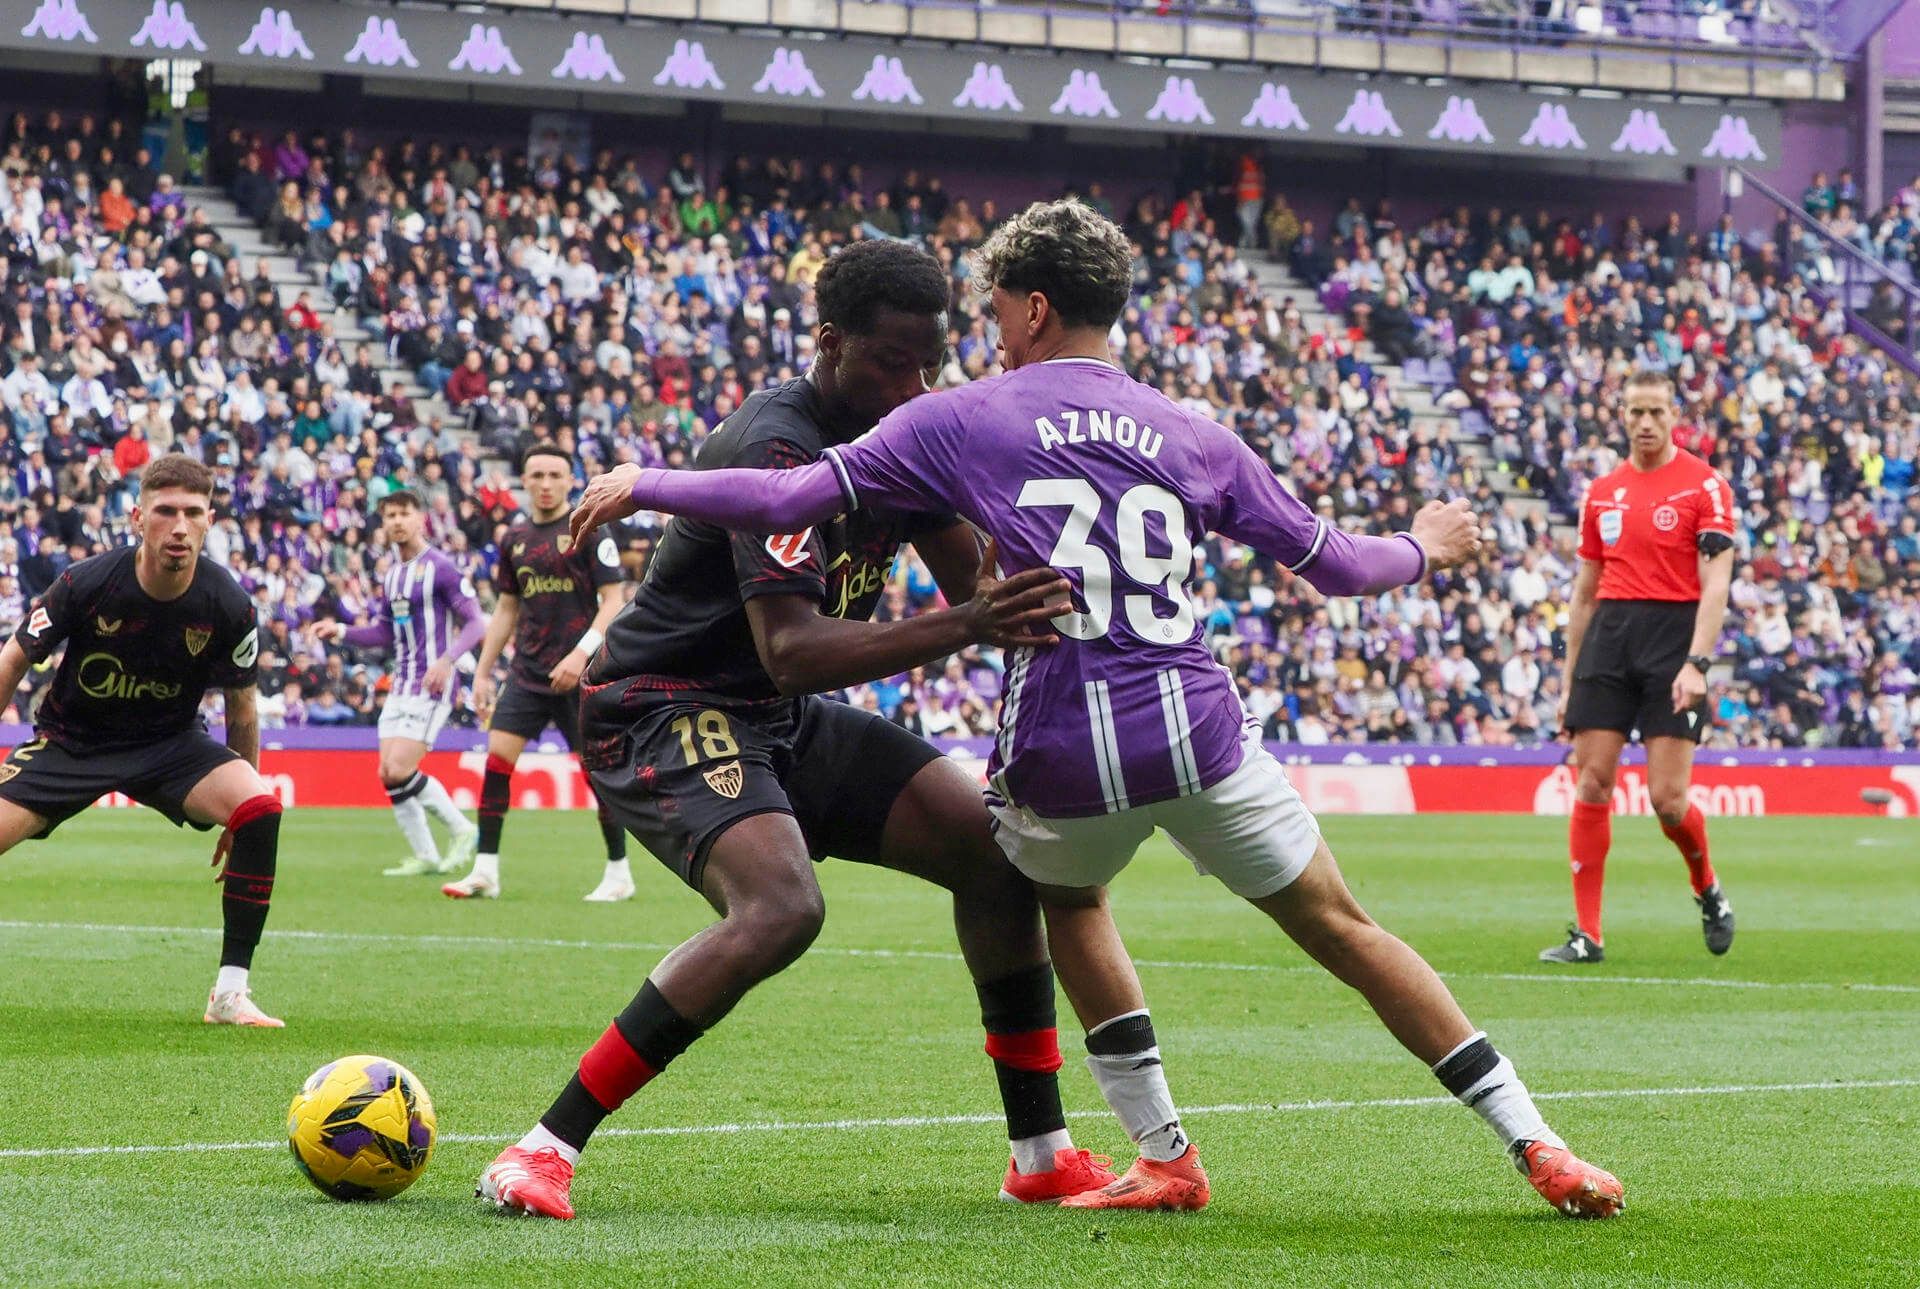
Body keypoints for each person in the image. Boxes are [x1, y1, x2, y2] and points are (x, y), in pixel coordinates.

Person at [577, 199, 1625, 1220]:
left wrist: (653, 481)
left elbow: (784, 497)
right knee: (1344, 926)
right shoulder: (1195, 430)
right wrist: (1426, 544)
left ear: (1031, 310)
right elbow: (1344, 567)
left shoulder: (959, 417)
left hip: (1064, 750)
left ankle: (1163, 1149)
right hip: (1199, 729)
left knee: (1065, 895)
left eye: (988, 314)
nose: (974, 343)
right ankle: (1536, 1136)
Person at [476, 239, 1117, 1220]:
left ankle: (1040, 1150)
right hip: (663, 704)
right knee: (781, 908)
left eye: (932, 363)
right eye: (894, 362)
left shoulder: (911, 434)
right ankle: (541, 1149)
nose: (917, 383)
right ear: (830, 343)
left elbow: (973, 586)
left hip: (773, 714)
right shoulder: (777, 449)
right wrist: (967, 623)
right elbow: (794, 648)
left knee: (998, 854)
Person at [0, 455, 285, 1026]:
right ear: (137, 517)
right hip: (70, 744)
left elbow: (243, 707)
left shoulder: (229, 604)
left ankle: (229, 994)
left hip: (169, 745)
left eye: (192, 513)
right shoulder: (87, 582)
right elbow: (13, 658)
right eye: (165, 512)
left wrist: (241, 805)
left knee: (260, 806)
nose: (178, 526)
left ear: (209, 522)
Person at [1544, 371, 1737, 964]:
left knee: (1667, 800)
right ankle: (1588, 934)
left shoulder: (1705, 486)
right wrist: (1568, 677)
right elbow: (1583, 592)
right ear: (1622, 417)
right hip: (1610, 637)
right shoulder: (1602, 491)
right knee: (1593, 781)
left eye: (1656, 411)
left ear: (1674, 413)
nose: (1646, 423)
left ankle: (1706, 887)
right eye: (1636, 412)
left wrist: (1698, 663)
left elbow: (1715, 584)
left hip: (1673, 639)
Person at [441, 444, 632, 902]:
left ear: (570, 481)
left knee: (597, 774)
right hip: (528, 672)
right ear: (523, 482)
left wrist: (580, 655)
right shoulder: (514, 538)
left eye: (554, 475)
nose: (545, 484)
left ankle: (619, 871)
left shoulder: (590, 529)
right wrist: (484, 673)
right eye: (537, 475)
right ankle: (486, 870)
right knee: (497, 762)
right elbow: (507, 608)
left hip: (582, 676)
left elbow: (614, 600)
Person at [309, 492, 484, 876]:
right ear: (383, 523)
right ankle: (426, 856)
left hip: (432, 684)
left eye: (404, 513)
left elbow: (475, 622)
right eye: (390, 515)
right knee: (388, 772)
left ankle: (463, 829)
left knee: (401, 768)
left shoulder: (441, 567)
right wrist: (340, 629)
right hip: (401, 683)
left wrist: (447, 660)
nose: (397, 521)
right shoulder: (391, 575)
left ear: (420, 518)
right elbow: (384, 634)